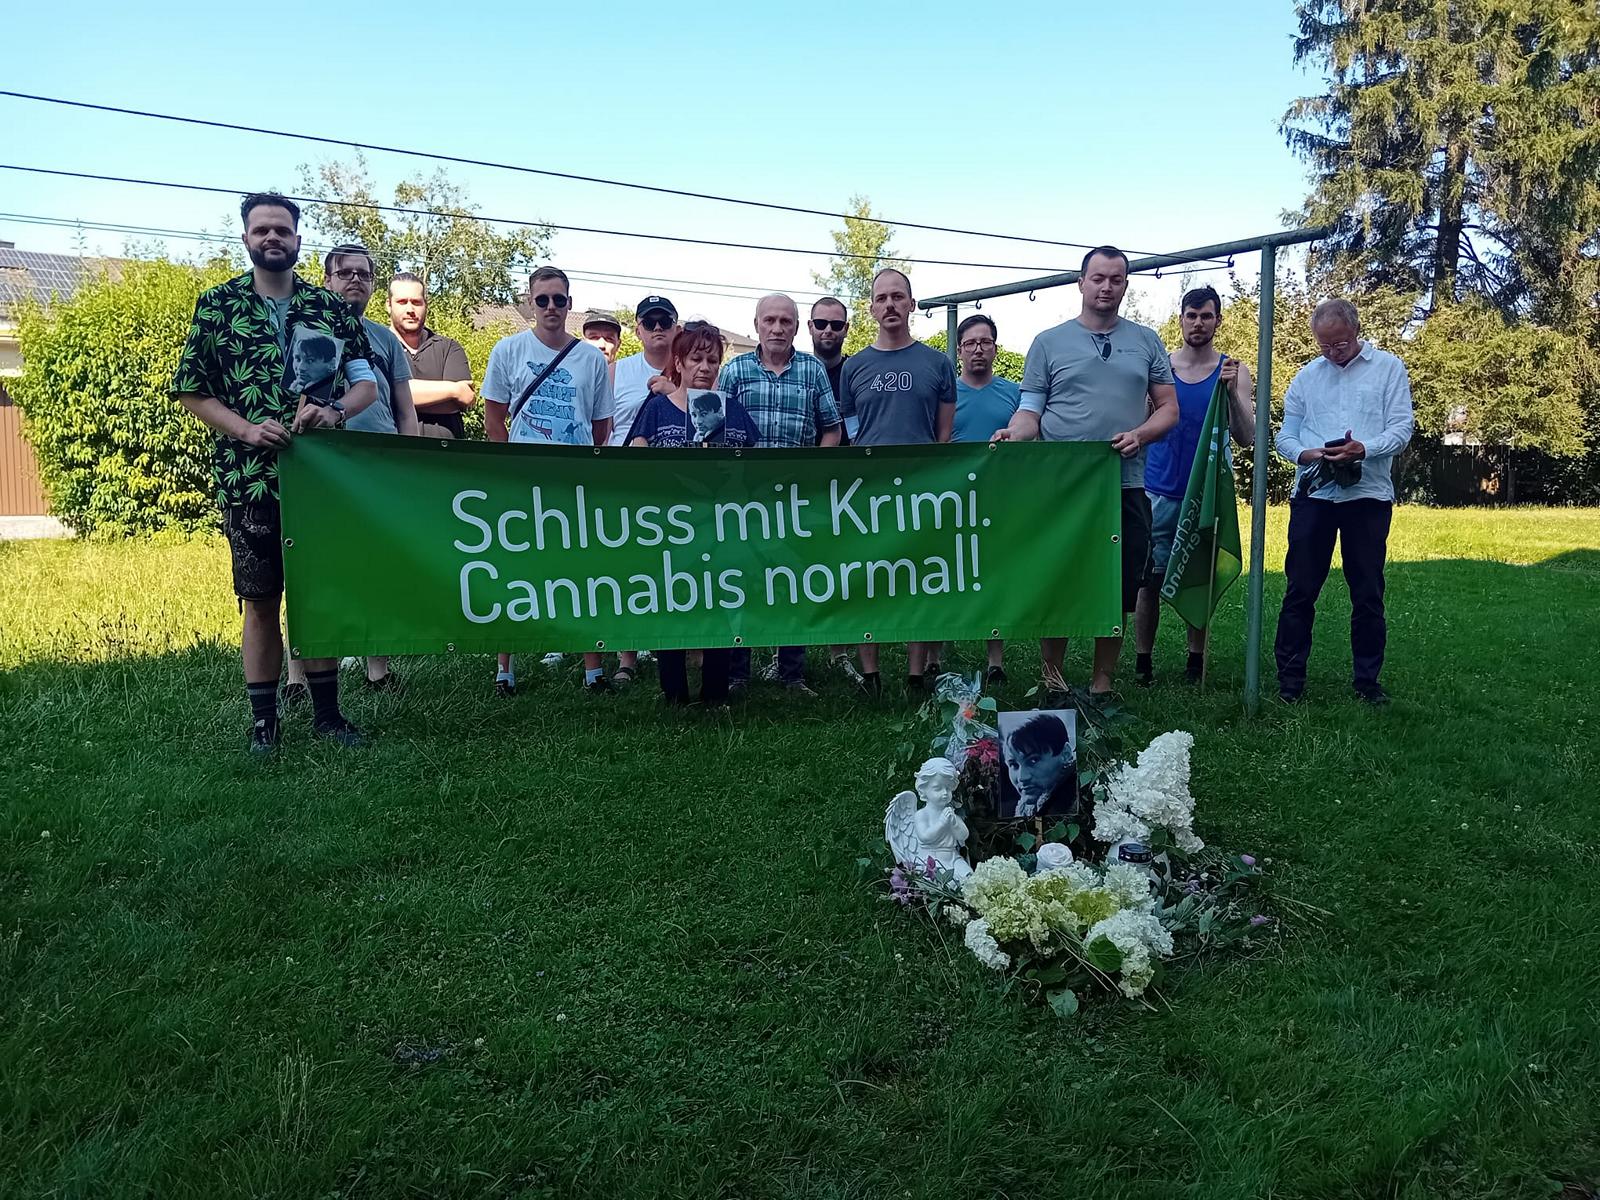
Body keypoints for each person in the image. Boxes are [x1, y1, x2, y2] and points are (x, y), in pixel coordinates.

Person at [171, 191, 378, 752]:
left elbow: (365, 385)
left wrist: (335, 412)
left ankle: (329, 717)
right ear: (245, 238)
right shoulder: (218, 306)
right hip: (249, 478)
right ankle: (264, 722)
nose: (272, 238)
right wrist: (244, 429)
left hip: (320, 480)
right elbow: (192, 389)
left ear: (297, 240)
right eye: (261, 229)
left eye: (282, 230)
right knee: (261, 602)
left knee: (317, 594)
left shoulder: (329, 309)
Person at [994, 246, 1179, 702]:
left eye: (1116, 279)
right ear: (1081, 283)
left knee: (1116, 588)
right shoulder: (1048, 342)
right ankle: (1053, 679)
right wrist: (1015, 434)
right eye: (1098, 277)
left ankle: (1102, 683)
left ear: (1125, 285)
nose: (1106, 286)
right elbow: (1030, 411)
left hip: (1126, 484)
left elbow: (1169, 409)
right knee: (1059, 581)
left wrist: (1142, 433)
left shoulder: (1147, 341)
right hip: (1062, 489)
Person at [283, 245, 419, 703]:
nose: (354, 280)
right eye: (345, 273)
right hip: (318, 463)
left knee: (373, 564)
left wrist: (408, 459)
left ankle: (376, 667)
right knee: (311, 567)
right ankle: (297, 677)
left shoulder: (385, 340)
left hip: (377, 462)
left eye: (363, 273)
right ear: (327, 280)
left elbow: (405, 408)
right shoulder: (303, 328)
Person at [481, 265, 615, 696]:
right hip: (523, 480)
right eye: (543, 300)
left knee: (581, 569)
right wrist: (514, 465)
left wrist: (576, 463)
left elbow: (601, 425)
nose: (552, 307)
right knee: (516, 571)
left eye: (559, 299)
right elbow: (494, 420)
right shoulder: (507, 351)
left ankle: (592, 668)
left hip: (574, 481)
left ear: (569, 304)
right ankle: (505, 667)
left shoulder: (591, 358)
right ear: (531, 303)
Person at [1273, 298, 1414, 705]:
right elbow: (1286, 435)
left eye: (1341, 343)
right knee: (1300, 589)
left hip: (1367, 495)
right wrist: (1309, 454)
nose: (1334, 352)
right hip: (1314, 494)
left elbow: (1402, 429)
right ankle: (1290, 682)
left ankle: (1368, 683)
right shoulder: (1306, 377)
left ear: (1356, 331)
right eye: (1325, 345)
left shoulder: (1389, 369)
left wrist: (1363, 449)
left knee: (1367, 591)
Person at [625, 321, 762, 707]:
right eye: (697, 359)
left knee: (718, 606)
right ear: (680, 363)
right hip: (667, 530)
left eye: (713, 360)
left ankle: (716, 692)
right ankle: (674, 692)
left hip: (719, 530)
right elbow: (632, 457)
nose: (705, 367)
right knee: (672, 606)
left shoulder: (732, 410)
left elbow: (753, 465)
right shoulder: (655, 409)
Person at [717, 293, 843, 698]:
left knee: (793, 583)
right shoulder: (734, 371)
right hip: (744, 500)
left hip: (794, 500)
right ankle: (738, 673)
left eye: (785, 321)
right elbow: (715, 432)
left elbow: (832, 428)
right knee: (743, 584)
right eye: (769, 320)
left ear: (796, 325)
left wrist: (815, 473)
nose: (777, 328)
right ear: (755, 324)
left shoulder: (812, 370)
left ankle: (792, 674)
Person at [1133, 284, 1255, 686]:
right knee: (1149, 581)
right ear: (1181, 319)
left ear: (1218, 320)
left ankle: (1193, 661)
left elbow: (1246, 435)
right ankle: (1143, 663)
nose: (1198, 323)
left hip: (1204, 493)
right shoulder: (1161, 368)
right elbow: (1143, 424)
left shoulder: (1233, 369)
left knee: (1197, 580)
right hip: (1158, 488)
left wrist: (1232, 393)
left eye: (1206, 316)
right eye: (1191, 315)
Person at [843, 268, 956, 696]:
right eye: (882, 298)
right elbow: (854, 434)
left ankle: (914, 673)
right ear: (871, 308)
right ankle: (870, 674)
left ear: (912, 304)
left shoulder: (938, 364)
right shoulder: (854, 367)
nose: (890, 304)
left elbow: (943, 435)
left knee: (919, 578)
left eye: (898, 297)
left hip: (922, 490)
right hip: (868, 493)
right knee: (867, 579)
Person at [951, 312, 1022, 686]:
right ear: (959, 350)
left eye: (986, 342)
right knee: (945, 574)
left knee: (994, 576)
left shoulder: (1015, 393)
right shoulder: (945, 393)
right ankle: (934, 654)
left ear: (995, 347)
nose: (978, 349)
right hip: (953, 500)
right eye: (970, 343)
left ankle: (995, 658)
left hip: (999, 499)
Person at [809, 295, 865, 687]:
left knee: (842, 571)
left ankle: (839, 653)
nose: (828, 330)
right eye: (820, 323)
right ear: (808, 328)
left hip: (846, 485)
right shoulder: (799, 369)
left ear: (846, 329)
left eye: (836, 324)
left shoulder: (857, 371)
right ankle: (785, 654)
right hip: (795, 485)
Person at [387, 272, 474, 440]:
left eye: (416, 302)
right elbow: (382, 395)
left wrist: (399, 400)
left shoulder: (449, 348)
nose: (410, 309)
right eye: (402, 302)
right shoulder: (378, 346)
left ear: (426, 305)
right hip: (392, 455)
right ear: (389, 305)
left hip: (446, 457)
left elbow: (466, 397)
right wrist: (453, 390)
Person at [1001, 712, 1079, 820]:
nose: (1022, 777)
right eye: (1013, 765)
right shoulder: (1025, 808)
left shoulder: (1079, 799)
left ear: (1065, 754)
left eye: (1033, 760)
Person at [582, 310, 623, 388]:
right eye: (594, 337)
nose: (601, 345)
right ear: (583, 342)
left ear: (618, 344)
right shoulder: (569, 377)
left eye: (609, 338)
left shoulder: (628, 380)